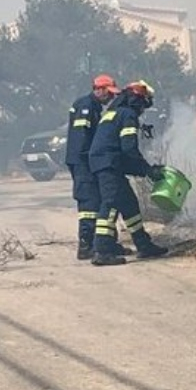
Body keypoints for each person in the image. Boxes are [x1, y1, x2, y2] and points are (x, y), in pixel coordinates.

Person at [88, 80, 168, 266]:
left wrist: (144, 170)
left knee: (129, 204)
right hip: (109, 165)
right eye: (143, 105)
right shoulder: (128, 115)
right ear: (138, 101)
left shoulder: (114, 113)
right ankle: (102, 251)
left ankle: (143, 244)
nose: (142, 110)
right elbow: (128, 149)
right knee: (110, 204)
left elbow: (123, 154)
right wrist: (148, 170)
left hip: (106, 163)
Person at [65, 74, 131, 261]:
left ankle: (105, 243)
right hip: (83, 162)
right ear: (99, 89)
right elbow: (81, 138)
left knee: (101, 200)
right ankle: (86, 246)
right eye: (108, 93)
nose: (110, 97)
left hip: (89, 161)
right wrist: (89, 161)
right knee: (89, 204)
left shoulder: (94, 106)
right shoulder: (85, 106)